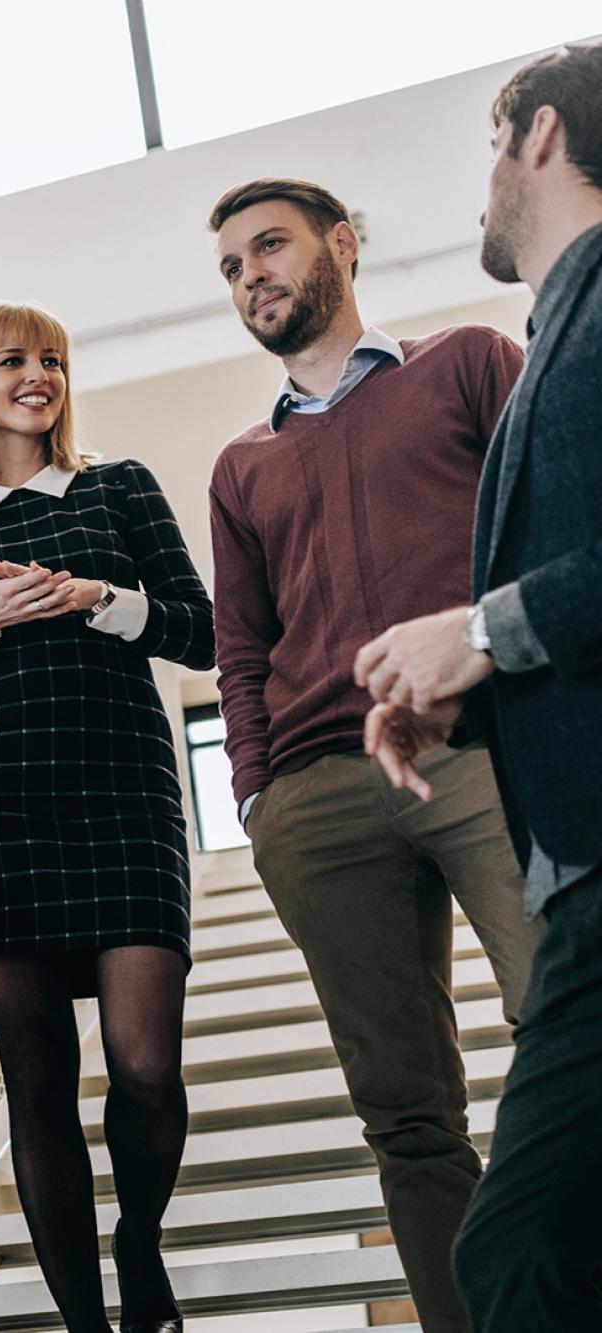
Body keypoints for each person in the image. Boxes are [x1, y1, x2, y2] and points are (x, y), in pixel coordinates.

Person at [207, 177, 544, 1331]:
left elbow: (545, 519)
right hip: (316, 798)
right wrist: (255, 795)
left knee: (566, 1023)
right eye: (232, 266)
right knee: (404, 1112)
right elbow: (239, 645)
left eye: (271, 247)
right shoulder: (240, 465)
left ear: (340, 247)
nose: (251, 274)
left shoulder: (464, 364)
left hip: (483, 752)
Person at [0, 301, 213, 1333]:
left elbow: (201, 633)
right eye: (14, 359)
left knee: (145, 1062)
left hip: (123, 792)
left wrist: (91, 596)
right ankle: (87, 1323)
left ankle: (139, 1243)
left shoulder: (117, 487)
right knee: (37, 1082)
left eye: (54, 360)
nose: (38, 375)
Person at [354, 41, 602, 1332]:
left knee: (514, 1256)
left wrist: (485, 630)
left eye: (491, 145)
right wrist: (476, 688)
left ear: (542, 136)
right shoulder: (557, 327)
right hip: (576, 874)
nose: (486, 182)